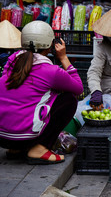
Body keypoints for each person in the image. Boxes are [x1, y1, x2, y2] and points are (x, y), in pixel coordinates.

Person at [0, 21, 83, 164]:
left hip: (3, 138)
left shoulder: (11, 61)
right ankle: (39, 149)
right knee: (69, 99)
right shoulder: (51, 71)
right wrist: (63, 57)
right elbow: (78, 88)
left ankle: (17, 150)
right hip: (25, 138)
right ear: (50, 46)